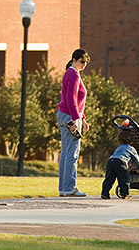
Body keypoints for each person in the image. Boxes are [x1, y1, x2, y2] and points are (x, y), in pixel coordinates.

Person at [56, 49, 90, 197]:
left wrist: (82, 119)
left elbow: (75, 100)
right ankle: (69, 187)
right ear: (75, 60)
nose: (84, 65)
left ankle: (64, 188)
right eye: (82, 62)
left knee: (66, 152)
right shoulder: (74, 75)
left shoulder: (69, 73)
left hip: (67, 115)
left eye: (86, 63)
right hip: (70, 117)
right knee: (72, 153)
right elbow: (71, 99)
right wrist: (76, 120)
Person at [101, 130, 139, 199]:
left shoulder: (119, 147)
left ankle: (105, 193)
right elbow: (137, 159)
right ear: (131, 141)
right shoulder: (131, 148)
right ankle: (125, 194)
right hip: (120, 162)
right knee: (124, 179)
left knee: (109, 179)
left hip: (111, 161)